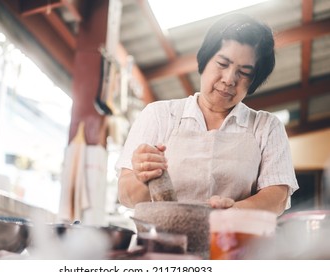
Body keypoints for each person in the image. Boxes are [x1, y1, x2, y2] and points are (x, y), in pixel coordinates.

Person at [115, 13, 299, 216]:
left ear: (254, 81)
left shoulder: (266, 126)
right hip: (163, 243)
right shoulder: (159, 115)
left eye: (245, 72)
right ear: (204, 61)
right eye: (222, 64)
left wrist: (230, 212)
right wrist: (142, 176)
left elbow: (277, 197)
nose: (229, 79)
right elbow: (126, 195)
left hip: (235, 241)